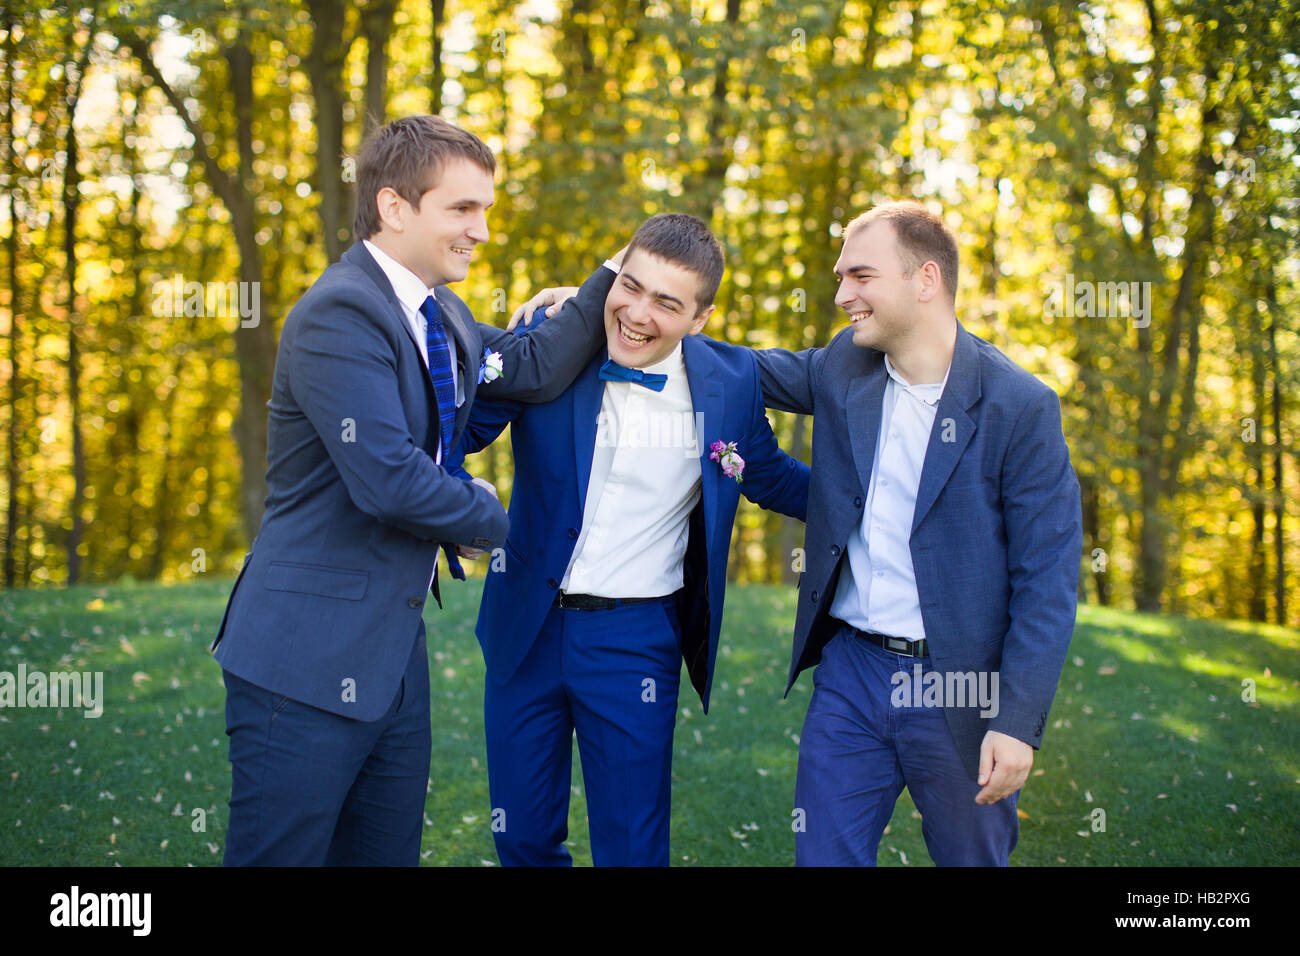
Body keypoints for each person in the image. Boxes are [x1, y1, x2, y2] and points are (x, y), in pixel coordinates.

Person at [209, 114, 618, 866]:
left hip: (392, 663)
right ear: (395, 207)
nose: (482, 230)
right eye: (462, 209)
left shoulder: (442, 315)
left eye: (486, 210)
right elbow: (391, 479)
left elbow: (526, 368)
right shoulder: (340, 313)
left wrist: (609, 285)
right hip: (301, 662)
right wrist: (498, 520)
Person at [448, 213, 810, 866]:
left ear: (699, 319)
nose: (637, 314)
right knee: (521, 837)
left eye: (666, 304)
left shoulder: (728, 388)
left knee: (632, 847)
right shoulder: (553, 347)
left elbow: (771, 478)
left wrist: (881, 507)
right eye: (630, 287)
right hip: (524, 626)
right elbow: (461, 426)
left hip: (635, 641)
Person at [750, 200, 1082, 865]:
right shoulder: (845, 367)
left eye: (860, 277)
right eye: (842, 276)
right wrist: (607, 305)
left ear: (925, 280)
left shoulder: (1020, 406)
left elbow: (1046, 582)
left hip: (960, 684)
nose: (842, 294)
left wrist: (1016, 724)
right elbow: (738, 369)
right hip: (851, 671)